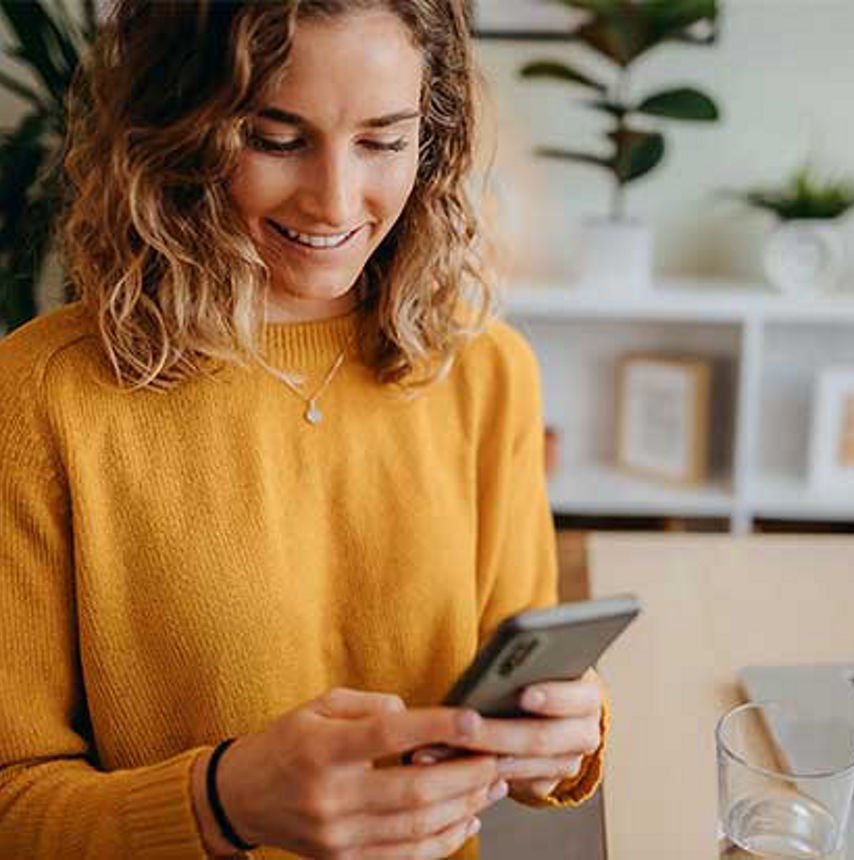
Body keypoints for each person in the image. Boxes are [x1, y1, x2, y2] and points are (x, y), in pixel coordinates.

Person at [0, 1, 607, 858]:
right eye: (275, 139)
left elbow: (514, 682)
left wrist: (561, 735)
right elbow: (11, 802)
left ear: (429, 142)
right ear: (176, 133)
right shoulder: (41, 397)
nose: (335, 201)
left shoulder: (487, 370)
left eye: (384, 141)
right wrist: (219, 803)